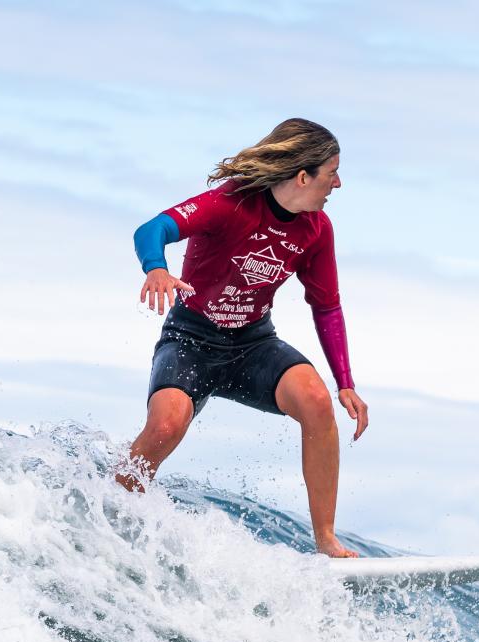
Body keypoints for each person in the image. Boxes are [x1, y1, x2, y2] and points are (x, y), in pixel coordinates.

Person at [117, 118, 368, 558]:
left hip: (253, 344)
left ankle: (326, 541)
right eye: (333, 172)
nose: (339, 183)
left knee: (315, 400)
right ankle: (114, 506)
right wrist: (156, 266)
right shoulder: (229, 202)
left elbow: (326, 304)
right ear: (303, 175)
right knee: (166, 424)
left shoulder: (316, 229)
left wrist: (344, 380)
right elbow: (151, 229)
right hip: (191, 340)